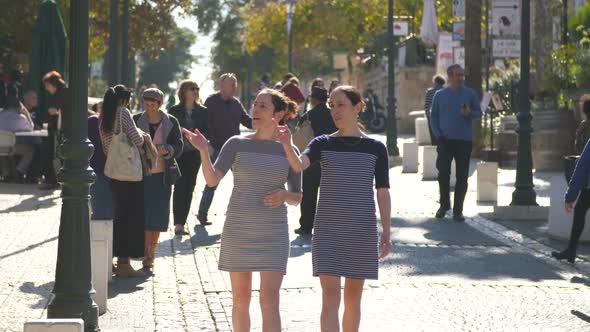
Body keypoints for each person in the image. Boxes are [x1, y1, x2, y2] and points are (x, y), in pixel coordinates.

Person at [182, 88, 302, 332]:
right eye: (254, 104)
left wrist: (284, 195)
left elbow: (298, 198)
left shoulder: (290, 150)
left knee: (269, 302)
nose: (255, 110)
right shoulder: (235, 143)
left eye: (263, 106)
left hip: (273, 234)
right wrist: (204, 151)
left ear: (278, 114)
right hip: (239, 230)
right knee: (240, 300)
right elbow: (212, 179)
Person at [276, 85, 392, 332]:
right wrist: (287, 144)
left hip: (361, 232)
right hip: (328, 231)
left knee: (352, 299)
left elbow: (383, 191)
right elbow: (298, 165)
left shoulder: (376, 148)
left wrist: (386, 231)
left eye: (341, 104)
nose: (335, 111)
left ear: (358, 107)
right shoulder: (321, 143)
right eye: (331, 105)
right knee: (330, 298)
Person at [133, 88, 183, 270]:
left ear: (160, 104)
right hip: (141, 175)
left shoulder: (171, 122)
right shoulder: (136, 119)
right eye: (146, 104)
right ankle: (146, 253)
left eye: (152, 104)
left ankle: (150, 254)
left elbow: (179, 146)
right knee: (144, 215)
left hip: (163, 176)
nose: (149, 108)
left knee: (158, 217)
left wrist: (168, 149)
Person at [99, 85, 146, 277]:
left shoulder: (103, 117)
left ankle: (110, 261)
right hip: (129, 175)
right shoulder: (123, 113)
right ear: (124, 100)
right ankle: (124, 263)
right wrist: (144, 136)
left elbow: (105, 147)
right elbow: (138, 140)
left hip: (113, 173)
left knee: (117, 216)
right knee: (130, 218)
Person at [197, 73, 252, 226]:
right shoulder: (210, 102)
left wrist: (264, 122)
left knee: (243, 182)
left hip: (236, 148)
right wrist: (207, 145)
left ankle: (242, 215)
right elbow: (203, 124)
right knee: (212, 183)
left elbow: (247, 121)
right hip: (217, 149)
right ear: (221, 86)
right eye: (232, 84)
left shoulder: (236, 103)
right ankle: (202, 214)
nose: (235, 87)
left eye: (235, 84)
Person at [430, 64, 482, 222]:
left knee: (462, 176)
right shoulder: (439, 95)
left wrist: (470, 113)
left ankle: (458, 211)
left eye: (462, 75)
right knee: (443, 173)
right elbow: (433, 117)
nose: (461, 78)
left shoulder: (470, 93)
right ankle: (444, 205)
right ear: (450, 76)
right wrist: (438, 135)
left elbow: (479, 113)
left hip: (464, 141)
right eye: (457, 75)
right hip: (445, 141)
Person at [294, 86, 337, 235]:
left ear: (313, 99)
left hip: (311, 159)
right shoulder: (333, 115)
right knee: (328, 196)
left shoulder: (308, 115)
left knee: (308, 195)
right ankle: (327, 226)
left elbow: (298, 134)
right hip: (330, 159)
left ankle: (306, 226)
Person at [169, 80, 208, 235]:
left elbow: (207, 131)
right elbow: (169, 130)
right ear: (184, 91)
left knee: (190, 187)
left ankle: (182, 222)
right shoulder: (174, 110)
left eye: (197, 88)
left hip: (194, 154)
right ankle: (178, 224)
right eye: (192, 88)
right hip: (179, 153)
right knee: (179, 187)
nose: (195, 91)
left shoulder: (203, 111)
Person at [0, 84, 35, 182]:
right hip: (13, 148)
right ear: (18, 107)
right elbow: (31, 127)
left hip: (1, 147)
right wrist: (26, 112)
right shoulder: (20, 118)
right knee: (30, 150)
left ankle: (6, 173)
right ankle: (19, 170)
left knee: (3, 149)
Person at [88, 100, 112, 220]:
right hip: (112, 172)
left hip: (96, 171)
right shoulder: (118, 123)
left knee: (99, 215)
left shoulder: (92, 121)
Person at [423, 75, 446, 144]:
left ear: (435, 82)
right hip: (443, 117)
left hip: (432, 116)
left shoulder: (430, 91)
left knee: (433, 135)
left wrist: (428, 116)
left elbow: (427, 105)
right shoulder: (446, 91)